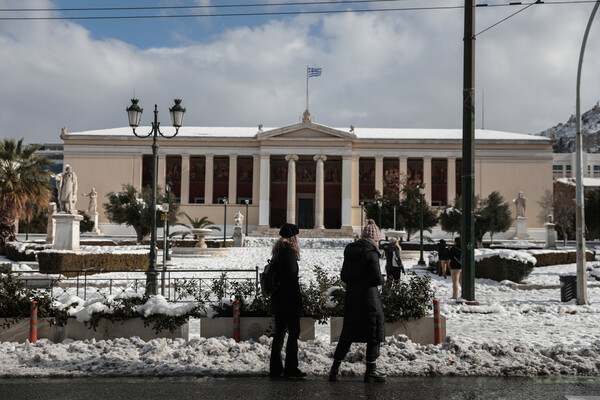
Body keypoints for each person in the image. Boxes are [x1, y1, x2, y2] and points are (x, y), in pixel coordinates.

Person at [329, 219, 387, 383]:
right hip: (369, 299)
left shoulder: (350, 250)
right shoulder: (371, 252)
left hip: (352, 298)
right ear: (375, 238)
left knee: (347, 334)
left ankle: (334, 369)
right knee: (373, 333)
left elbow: (344, 276)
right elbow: (376, 278)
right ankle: (370, 371)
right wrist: (383, 279)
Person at [269, 223, 306, 379]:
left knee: (279, 333)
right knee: (294, 332)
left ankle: (276, 368)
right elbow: (291, 279)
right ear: (293, 237)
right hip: (288, 299)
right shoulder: (289, 252)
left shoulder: (278, 251)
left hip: (278, 299)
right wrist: (298, 300)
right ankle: (291, 368)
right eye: (297, 236)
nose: (298, 239)